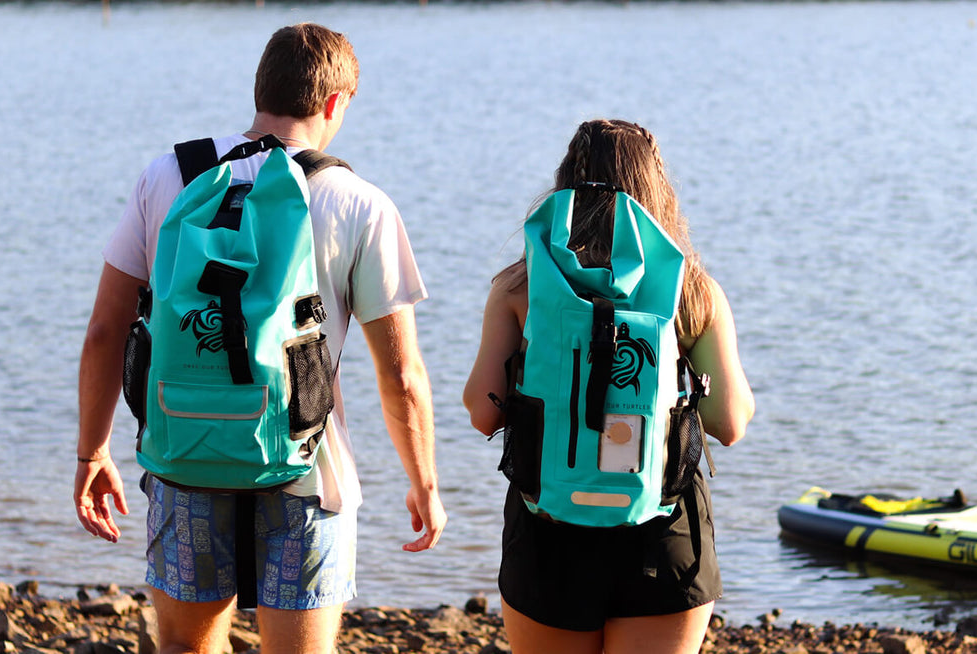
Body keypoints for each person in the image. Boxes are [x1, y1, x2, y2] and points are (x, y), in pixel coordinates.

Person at [71, 23, 446, 654]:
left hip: (183, 452)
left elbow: (107, 330)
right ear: (335, 103)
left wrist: (92, 452)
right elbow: (401, 376)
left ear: (259, 92)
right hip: (305, 470)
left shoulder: (169, 176)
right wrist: (425, 483)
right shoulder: (360, 203)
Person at [462, 119, 755, 654]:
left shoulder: (520, 285)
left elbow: (484, 413)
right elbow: (728, 424)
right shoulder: (692, 291)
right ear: (656, 189)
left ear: (566, 187)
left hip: (548, 523)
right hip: (663, 530)